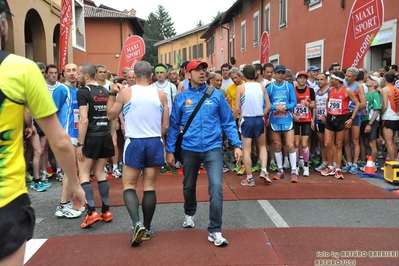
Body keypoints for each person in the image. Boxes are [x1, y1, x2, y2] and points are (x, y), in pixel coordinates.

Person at [0, 2, 85, 265]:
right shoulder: (21, 69)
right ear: (3, 24)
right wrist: (73, 181)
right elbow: (59, 141)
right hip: (6, 200)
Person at [165, 60, 243, 247]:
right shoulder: (181, 98)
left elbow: (228, 122)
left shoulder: (216, 95)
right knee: (188, 186)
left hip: (212, 148)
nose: (202, 73)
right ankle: (189, 212)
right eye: (197, 70)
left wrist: (237, 144)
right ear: (188, 73)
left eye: (204, 70)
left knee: (216, 187)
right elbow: (174, 126)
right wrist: (169, 150)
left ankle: (215, 230)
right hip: (189, 148)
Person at [107, 60, 169, 246]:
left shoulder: (126, 92)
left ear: (134, 75)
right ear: (151, 75)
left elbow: (110, 114)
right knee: (149, 186)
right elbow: (165, 124)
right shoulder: (161, 94)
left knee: (129, 185)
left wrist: (111, 93)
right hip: (154, 141)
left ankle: (136, 224)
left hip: (135, 142)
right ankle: (147, 228)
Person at [76, 63, 115, 228]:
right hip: (104, 135)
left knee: (84, 174)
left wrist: (80, 144)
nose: (76, 75)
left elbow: (84, 119)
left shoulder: (83, 92)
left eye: (78, 73)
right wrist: (111, 135)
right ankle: (106, 210)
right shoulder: (104, 91)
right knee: (100, 173)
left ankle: (91, 212)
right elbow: (111, 116)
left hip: (91, 136)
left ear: (86, 76)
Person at [52, 63, 84, 218]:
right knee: (70, 172)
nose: (72, 73)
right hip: (66, 135)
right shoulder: (61, 90)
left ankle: (69, 202)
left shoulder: (77, 91)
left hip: (77, 136)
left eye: (74, 70)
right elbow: (51, 112)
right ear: (63, 74)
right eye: (68, 71)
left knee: (75, 171)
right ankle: (63, 205)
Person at [234, 64, 271, 186]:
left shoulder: (240, 88)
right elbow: (269, 106)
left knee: (247, 149)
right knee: (262, 146)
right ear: (256, 74)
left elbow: (237, 108)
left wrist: (234, 121)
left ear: (243, 76)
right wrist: (262, 115)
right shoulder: (261, 87)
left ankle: (249, 178)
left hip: (247, 119)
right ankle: (264, 171)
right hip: (259, 118)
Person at [321, 71, 360, 179]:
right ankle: (330, 166)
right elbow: (328, 101)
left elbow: (357, 103)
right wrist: (326, 113)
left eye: (332, 79)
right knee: (327, 144)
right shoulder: (331, 90)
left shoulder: (347, 90)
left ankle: (338, 168)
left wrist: (352, 118)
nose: (330, 81)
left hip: (341, 119)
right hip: (330, 118)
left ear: (337, 80)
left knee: (338, 145)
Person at [266, 65, 298, 183]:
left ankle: (294, 171)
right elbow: (265, 104)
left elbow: (294, 102)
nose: (280, 75)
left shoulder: (289, 86)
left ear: (285, 74)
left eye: (282, 73)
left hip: (287, 119)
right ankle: (280, 171)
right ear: (274, 74)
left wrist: (286, 107)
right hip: (275, 120)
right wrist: (275, 107)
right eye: (278, 72)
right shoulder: (269, 87)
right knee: (277, 144)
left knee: (290, 145)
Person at [293, 71, 315, 177]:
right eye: (300, 78)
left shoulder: (310, 90)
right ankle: (296, 166)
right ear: (297, 79)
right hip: (296, 120)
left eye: (304, 78)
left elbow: (314, 104)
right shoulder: (293, 90)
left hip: (306, 119)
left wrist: (308, 104)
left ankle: (306, 166)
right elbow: (290, 103)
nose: (302, 79)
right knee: (296, 144)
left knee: (305, 143)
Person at [380, 72, 399, 163]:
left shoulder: (385, 89)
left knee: (388, 142)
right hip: (396, 117)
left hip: (387, 117)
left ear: (384, 79)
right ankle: (395, 159)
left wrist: (380, 114)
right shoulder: (396, 89)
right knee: (392, 141)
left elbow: (384, 105)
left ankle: (393, 163)